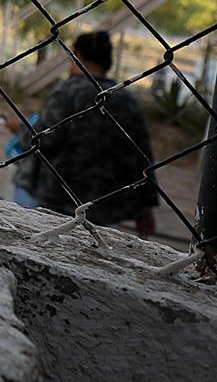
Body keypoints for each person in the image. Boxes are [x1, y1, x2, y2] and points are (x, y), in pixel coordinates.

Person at [15, 31, 158, 234]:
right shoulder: (126, 99)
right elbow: (143, 156)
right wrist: (147, 206)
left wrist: (20, 130)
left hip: (57, 197)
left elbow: (45, 138)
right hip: (106, 205)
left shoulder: (68, 91)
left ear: (78, 55)